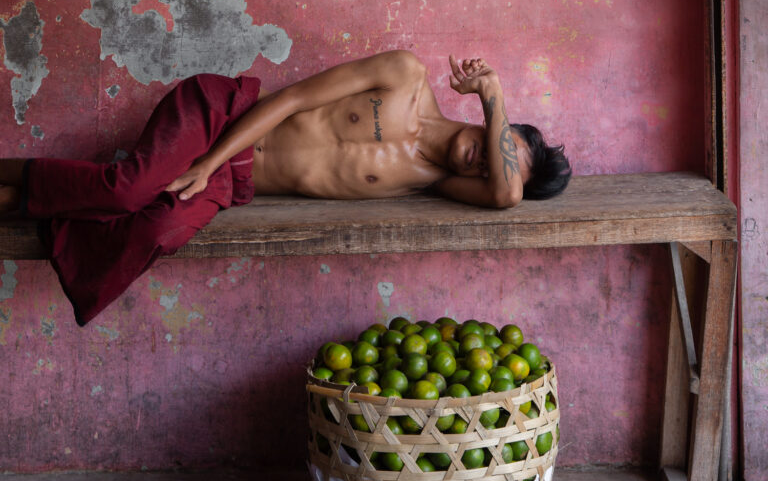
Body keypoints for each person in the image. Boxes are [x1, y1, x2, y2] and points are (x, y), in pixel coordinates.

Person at [0, 52, 570, 325]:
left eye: (494, 167)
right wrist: (206, 160)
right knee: (129, 190)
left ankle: (19, 203)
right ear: (494, 129)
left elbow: (505, 197)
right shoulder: (405, 76)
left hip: (235, 180)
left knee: (159, 226)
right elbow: (291, 99)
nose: (480, 165)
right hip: (222, 117)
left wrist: (494, 96)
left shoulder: (439, 180)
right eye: (498, 146)